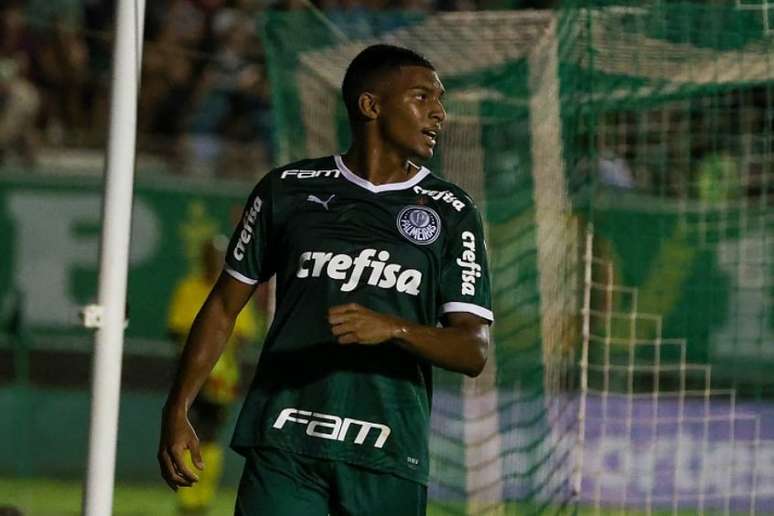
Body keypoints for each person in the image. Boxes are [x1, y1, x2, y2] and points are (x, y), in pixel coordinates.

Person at [158, 44, 493, 515]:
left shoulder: (453, 212)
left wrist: (394, 328)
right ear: (370, 105)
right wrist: (178, 409)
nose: (439, 113)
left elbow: (473, 349)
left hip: (388, 453)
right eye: (422, 97)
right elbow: (222, 306)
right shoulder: (287, 189)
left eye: (440, 100)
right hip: (284, 444)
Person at [166, 236, 263, 514]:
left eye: (220, 255)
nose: (215, 261)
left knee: (210, 435)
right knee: (183, 427)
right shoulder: (189, 288)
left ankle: (201, 496)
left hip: (222, 378)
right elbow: (176, 329)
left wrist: (221, 365)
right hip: (189, 374)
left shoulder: (235, 288)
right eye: (211, 255)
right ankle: (186, 498)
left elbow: (243, 334)